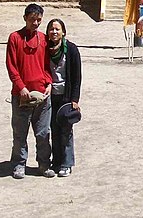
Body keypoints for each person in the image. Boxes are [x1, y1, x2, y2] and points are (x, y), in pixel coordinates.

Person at [6, 3, 55, 179]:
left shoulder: (43, 39)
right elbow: (12, 67)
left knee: (43, 133)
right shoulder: (15, 38)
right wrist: (21, 87)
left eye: (39, 20)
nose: (35, 23)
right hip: (21, 96)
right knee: (20, 133)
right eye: (32, 19)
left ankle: (43, 164)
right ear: (25, 18)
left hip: (42, 95)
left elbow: (47, 66)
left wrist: (49, 82)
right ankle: (19, 165)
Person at [46, 18, 82, 177]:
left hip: (66, 97)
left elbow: (77, 76)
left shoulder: (72, 50)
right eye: (51, 29)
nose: (54, 32)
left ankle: (67, 163)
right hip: (49, 97)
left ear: (63, 32)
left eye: (57, 29)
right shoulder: (45, 49)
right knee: (53, 129)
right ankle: (56, 161)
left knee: (66, 130)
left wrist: (75, 99)